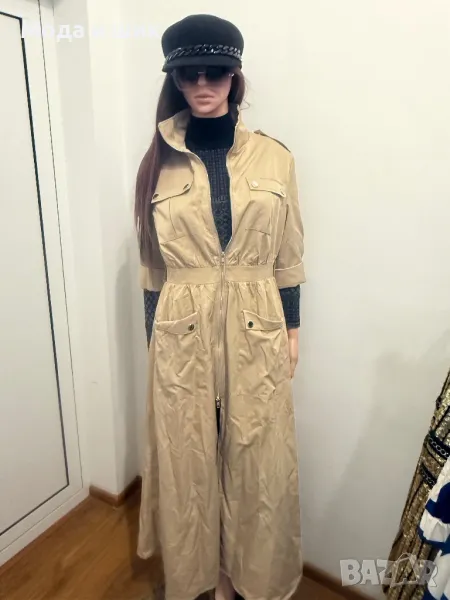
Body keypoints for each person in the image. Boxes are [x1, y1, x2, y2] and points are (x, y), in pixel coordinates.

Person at [134, 14, 305, 600]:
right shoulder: (157, 164)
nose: (202, 85)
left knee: (257, 456)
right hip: (179, 327)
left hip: (259, 321)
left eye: (215, 72)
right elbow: (152, 269)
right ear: (175, 80)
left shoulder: (275, 158)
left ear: (235, 76)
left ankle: (243, 579)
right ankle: (200, 578)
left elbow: (288, 255)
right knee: (189, 458)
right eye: (189, 74)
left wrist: (293, 328)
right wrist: (154, 341)